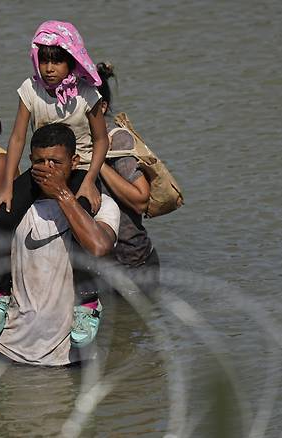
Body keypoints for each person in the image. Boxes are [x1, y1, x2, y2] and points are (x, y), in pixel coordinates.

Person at [0, 21, 110, 340]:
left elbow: (101, 140)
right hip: (40, 169)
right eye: (45, 60)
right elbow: (16, 138)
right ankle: (2, 293)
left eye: (57, 60)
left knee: (82, 221)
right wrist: (8, 183)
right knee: (0, 216)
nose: (50, 68)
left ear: (72, 61)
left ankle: (88, 303)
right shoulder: (30, 89)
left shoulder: (86, 94)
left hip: (77, 169)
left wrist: (90, 181)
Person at [0, 123, 119, 367]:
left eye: (56, 163)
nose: (47, 169)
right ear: (30, 161)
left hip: (69, 357)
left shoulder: (100, 204)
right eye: (40, 162)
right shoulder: (12, 206)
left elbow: (99, 247)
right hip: (9, 350)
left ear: (74, 161)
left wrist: (61, 194)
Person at [96, 62, 160, 295]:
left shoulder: (118, 140)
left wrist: (99, 163)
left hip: (133, 263)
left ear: (102, 107)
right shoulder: (74, 142)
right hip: (99, 266)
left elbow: (141, 200)